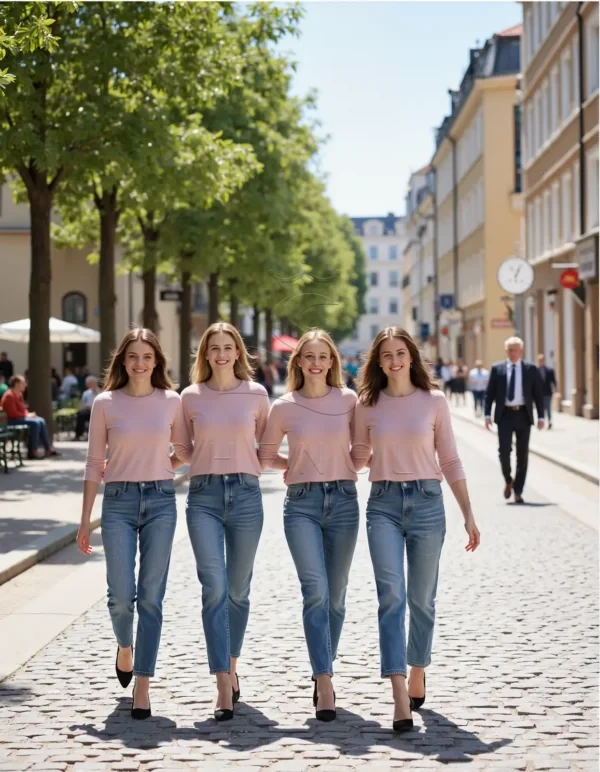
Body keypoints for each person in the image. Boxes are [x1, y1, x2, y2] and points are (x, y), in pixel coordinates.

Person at [351, 327, 480, 733]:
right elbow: (356, 458)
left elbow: (451, 460)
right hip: (383, 504)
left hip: (427, 503)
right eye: (386, 355)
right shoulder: (366, 404)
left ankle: (418, 667)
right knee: (392, 596)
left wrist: (468, 514)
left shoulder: (434, 401)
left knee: (422, 599)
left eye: (401, 353)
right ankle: (399, 693)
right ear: (378, 361)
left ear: (412, 357)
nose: (394, 360)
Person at [76, 327, 189, 720]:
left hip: (160, 500)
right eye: (132, 357)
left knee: (152, 596)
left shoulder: (171, 401)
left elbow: (186, 451)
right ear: (122, 361)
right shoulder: (106, 403)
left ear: (157, 361)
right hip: (118, 503)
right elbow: (93, 463)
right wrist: (85, 519)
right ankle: (125, 646)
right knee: (121, 596)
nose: (139, 364)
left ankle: (143, 683)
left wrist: (163, 468)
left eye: (146, 357)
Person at [259, 329, 359, 723]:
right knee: (314, 592)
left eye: (324, 357)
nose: (317, 363)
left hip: (344, 503)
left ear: (332, 361)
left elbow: (365, 446)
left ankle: (323, 668)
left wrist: (349, 466)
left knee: (336, 596)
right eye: (309, 357)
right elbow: (266, 455)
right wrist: (295, 467)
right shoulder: (284, 406)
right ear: (298, 362)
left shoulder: (349, 401)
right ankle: (325, 679)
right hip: (300, 504)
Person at [180, 322, 270, 723]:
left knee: (238, 590)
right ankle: (221, 683)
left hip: (247, 496)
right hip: (203, 497)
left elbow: (267, 448)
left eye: (228, 347)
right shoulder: (189, 397)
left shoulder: (257, 394)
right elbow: (181, 450)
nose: (221, 353)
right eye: (213, 347)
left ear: (238, 352)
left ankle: (232, 665)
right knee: (213, 588)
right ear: (205, 353)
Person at [484, 336, 544, 504]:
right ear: (506, 351)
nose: (512, 353)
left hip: (524, 415)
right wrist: (487, 414)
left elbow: (538, 394)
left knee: (522, 454)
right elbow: (490, 394)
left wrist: (541, 416)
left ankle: (518, 491)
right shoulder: (497, 369)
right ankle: (508, 479)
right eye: (509, 350)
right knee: (504, 451)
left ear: (521, 351)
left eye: (515, 349)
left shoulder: (531, 369)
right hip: (505, 415)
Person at [0, 375, 61, 459]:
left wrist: (28, 414)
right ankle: (33, 451)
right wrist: (26, 415)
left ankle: (48, 449)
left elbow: (23, 409)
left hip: (19, 418)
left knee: (40, 420)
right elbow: (12, 413)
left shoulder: (20, 395)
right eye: (23, 383)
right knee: (35, 423)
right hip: (10, 420)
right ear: (17, 384)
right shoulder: (9, 395)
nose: (25, 385)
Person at [75, 375, 100, 439]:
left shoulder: (101, 392)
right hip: (88, 411)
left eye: (91, 384)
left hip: (99, 412)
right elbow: (83, 404)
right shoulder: (86, 393)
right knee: (80, 414)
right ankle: (79, 434)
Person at [537, 354, 556, 429]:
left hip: (548, 393)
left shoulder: (550, 370)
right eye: (539, 360)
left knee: (548, 407)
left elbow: (553, 381)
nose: (541, 362)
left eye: (542, 360)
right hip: (539, 394)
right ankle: (542, 421)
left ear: (544, 361)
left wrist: (555, 389)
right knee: (541, 408)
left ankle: (549, 421)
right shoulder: (535, 370)